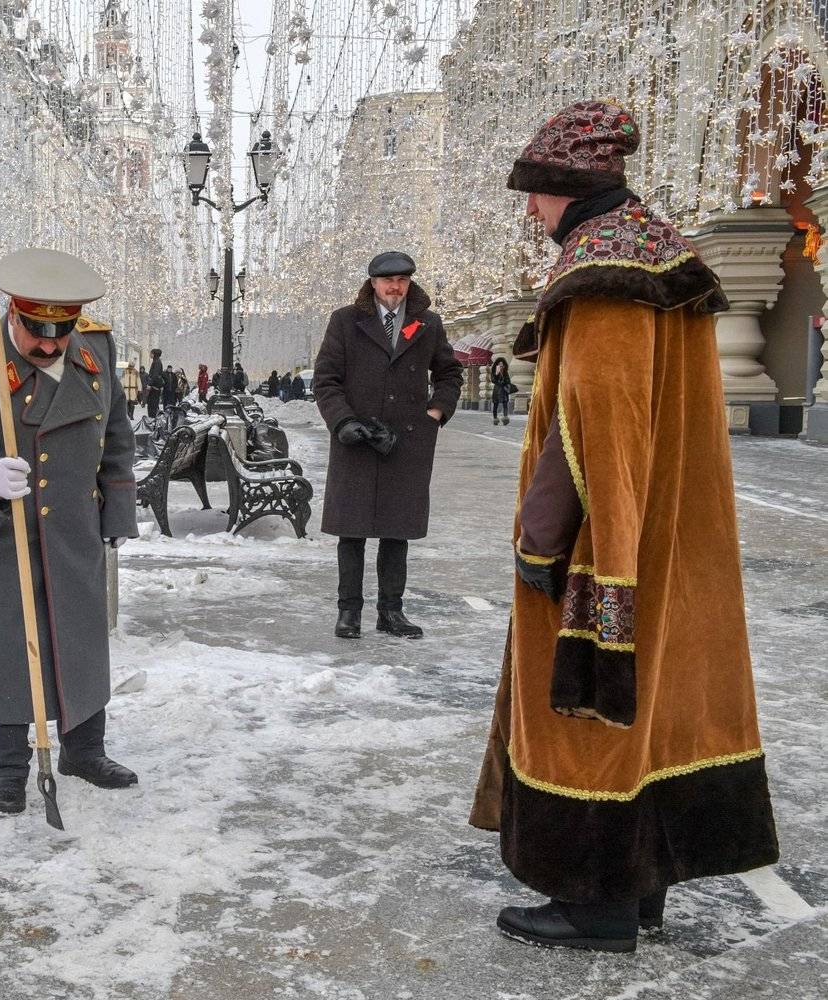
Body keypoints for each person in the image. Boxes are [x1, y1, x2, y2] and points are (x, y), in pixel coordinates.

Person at [470, 100, 778, 952]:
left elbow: (595, 428)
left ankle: (595, 900)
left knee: (589, 716)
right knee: (659, 707)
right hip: (672, 535)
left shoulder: (603, 271)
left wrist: (550, 546)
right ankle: (639, 886)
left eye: (534, 195)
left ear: (565, 189)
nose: (531, 213)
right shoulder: (658, 251)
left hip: (606, 545)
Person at [0, 247, 140, 816]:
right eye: (37, 334)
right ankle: (7, 768)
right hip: (1, 531)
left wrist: (118, 511)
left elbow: (116, 435)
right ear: (13, 315)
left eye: (60, 334)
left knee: (78, 641)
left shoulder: (95, 347)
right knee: (5, 648)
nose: (49, 346)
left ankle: (84, 751)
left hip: (74, 527)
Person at [313, 250, 462, 641]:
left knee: (397, 533)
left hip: (406, 443)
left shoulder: (427, 323)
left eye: (402, 280)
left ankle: (391, 612)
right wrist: (343, 422)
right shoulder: (345, 321)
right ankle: (349, 612)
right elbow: (326, 380)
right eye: (388, 281)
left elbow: (449, 374)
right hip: (356, 440)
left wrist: (435, 414)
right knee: (352, 532)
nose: (395, 287)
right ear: (373, 283)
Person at [489, 356, 513, 425]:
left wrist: (505, 382)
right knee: (495, 405)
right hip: (497, 390)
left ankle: (505, 418)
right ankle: (495, 418)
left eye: (502, 365)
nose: (501, 366)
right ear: (497, 365)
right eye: (499, 365)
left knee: (505, 404)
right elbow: (493, 380)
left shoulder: (505, 373)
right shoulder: (494, 372)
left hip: (504, 391)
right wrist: (496, 374)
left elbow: (508, 381)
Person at [146, 348, 164, 418]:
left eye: (151, 353)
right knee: (152, 403)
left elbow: (155, 375)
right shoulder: (156, 361)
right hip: (155, 386)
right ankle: (152, 417)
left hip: (154, 386)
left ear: (154, 354)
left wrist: (150, 384)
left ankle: (152, 418)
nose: (150, 354)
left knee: (152, 404)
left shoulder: (157, 362)